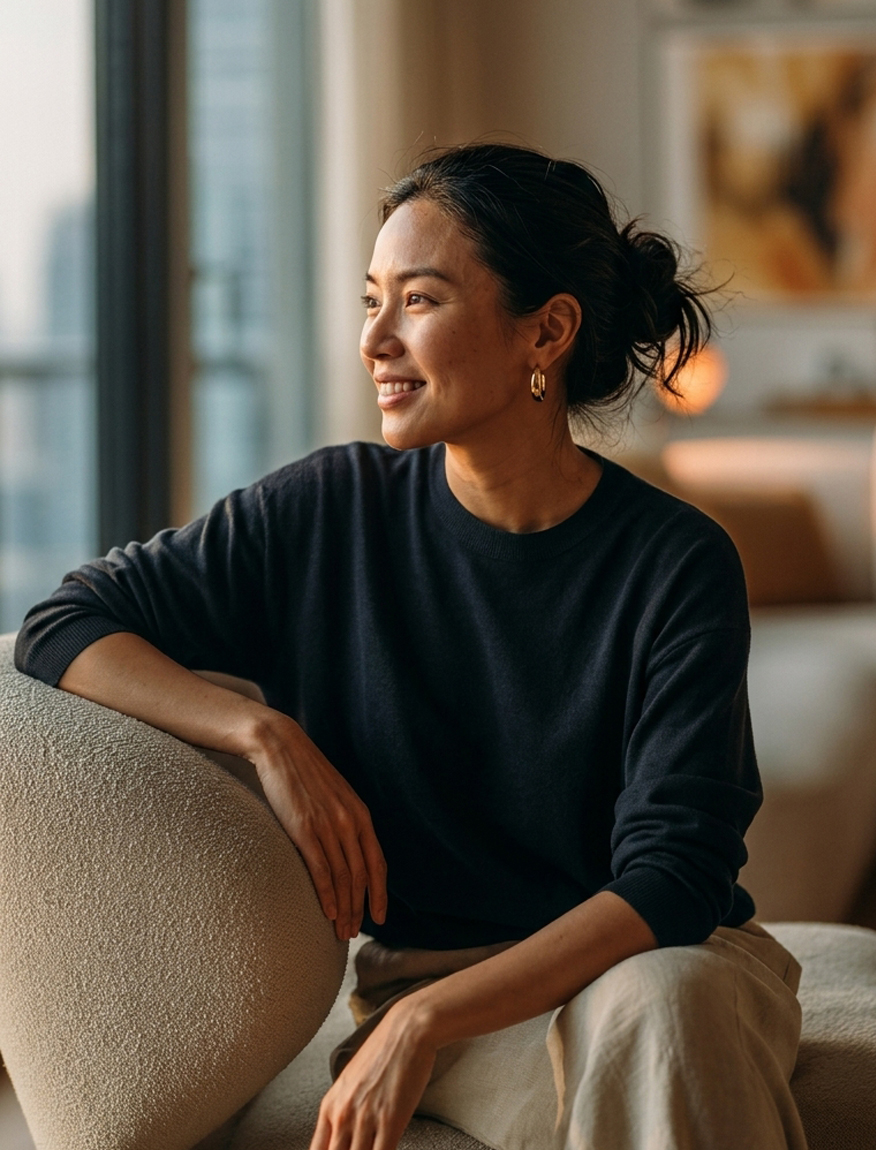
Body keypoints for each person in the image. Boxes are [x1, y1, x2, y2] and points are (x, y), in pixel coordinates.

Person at [15, 143, 807, 1150]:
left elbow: (675, 876)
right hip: (456, 1001)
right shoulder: (325, 514)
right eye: (370, 300)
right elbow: (65, 624)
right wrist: (264, 734)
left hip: (666, 963)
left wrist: (424, 1022)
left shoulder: (676, 561)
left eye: (419, 300)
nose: (374, 339)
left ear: (547, 331)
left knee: (664, 1008)